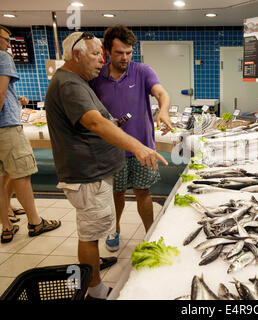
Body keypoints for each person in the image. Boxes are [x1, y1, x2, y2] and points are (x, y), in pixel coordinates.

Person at [45, 31, 168, 300]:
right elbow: (94, 122)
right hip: (87, 173)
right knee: (90, 234)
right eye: (95, 55)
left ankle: (94, 273)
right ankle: (96, 291)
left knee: (95, 227)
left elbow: (101, 119)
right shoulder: (70, 84)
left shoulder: (77, 80)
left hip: (95, 170)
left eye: (101, 56)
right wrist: (136, 145)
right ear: (76, 55)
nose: (100, 62)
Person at [90, 25, 173, 252]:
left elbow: (161, 93)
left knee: (143, 192)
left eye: (129, 52)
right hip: (111, 150)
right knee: (115, 193)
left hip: (143, 148)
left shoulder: (142, 71)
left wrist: (163, 110)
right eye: (119, 53)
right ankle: (114, 229)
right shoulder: (97, 77)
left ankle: (151, 233)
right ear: (107, 51)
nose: (125, 57)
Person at [0, 25, 61, 243]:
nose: (9, 45)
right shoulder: (3, 57)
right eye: (6, 40)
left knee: (2, 176)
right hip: (6, 128)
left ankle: (6, 227)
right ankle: (35, 222)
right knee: (21, 174)